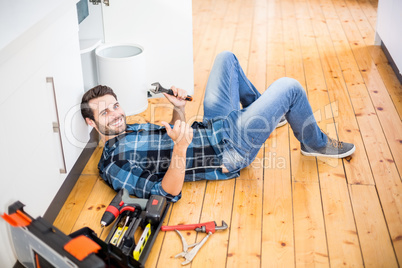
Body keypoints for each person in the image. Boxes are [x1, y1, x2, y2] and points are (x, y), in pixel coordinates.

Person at [81, 51, 355, 202]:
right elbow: (166, 192)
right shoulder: (115, 164)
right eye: (105, 112)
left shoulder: (130, 130)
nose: (116, 114)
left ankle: (270, 113)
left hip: (215, 124)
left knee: (226, 59)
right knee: (290, 88)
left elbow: (175, 134)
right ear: (90, 122)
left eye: (115, 106)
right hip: (228, 149)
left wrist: (178, 108)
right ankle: (314, 144)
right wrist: (180, 149)